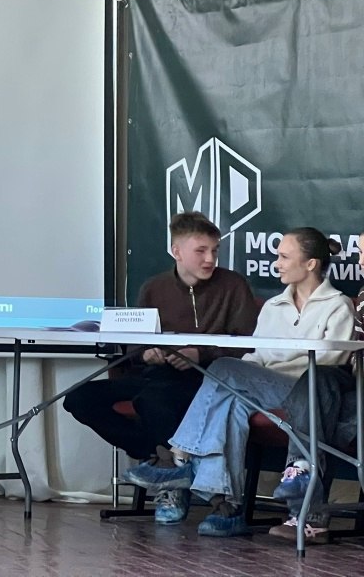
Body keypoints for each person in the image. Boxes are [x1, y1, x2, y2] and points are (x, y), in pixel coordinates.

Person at [124, 227, 355, 537]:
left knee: (225, 371)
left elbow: (330, 363)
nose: (276, 264)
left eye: (284, 257)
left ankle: (179, 458)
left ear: (310, 264)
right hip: (266, 387)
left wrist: (254, 373)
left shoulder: (338, 305)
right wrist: (246, 375)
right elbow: (256, 357)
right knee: (231, 398)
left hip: (306, 393)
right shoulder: (273, 307)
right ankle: (227, 509)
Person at [62, 210, 257, 524]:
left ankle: (170, 478)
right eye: (201, 251)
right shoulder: (154, 288)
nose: (210, 259)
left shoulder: (233, 286)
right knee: (79, 398)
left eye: (214, 250)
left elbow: (249, 343)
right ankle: (163, 461)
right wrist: (146, 354)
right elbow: (135, 343)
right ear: (176, 252)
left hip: (207, 378)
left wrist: (200, 353)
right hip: (157, 374)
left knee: (153, 400)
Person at [267, 230, 364, 544]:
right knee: (318, 382)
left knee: (319, 412)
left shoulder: (339, 304)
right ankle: (305, 491)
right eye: (359, 253)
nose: (360, 262)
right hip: (353, 385)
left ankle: (308, 512)